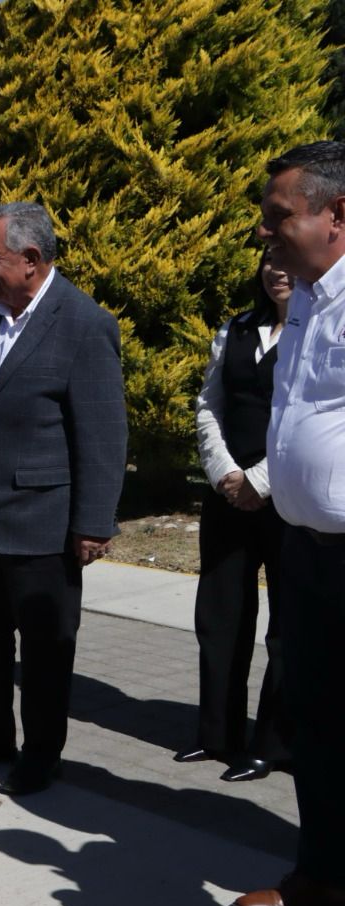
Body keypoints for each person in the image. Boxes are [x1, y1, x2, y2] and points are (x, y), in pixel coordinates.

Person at [0, 202, 128, 796]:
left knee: (44, 650)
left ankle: (41, 754)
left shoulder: (84, 323)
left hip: (44, 520)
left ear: (31, 259)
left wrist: (93, 522)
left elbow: (103, 432)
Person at [230, 141, 345, 906]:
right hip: (303, 550)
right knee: (315, 719)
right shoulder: (304, 298)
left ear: (338, 215)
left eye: (281, 216)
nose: (266, 233)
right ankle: (324, 873)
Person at [179, 250, 293, 781]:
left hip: (289, 502)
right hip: (228, 497)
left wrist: (260, 481)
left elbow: (315, 418)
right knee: (220, 618)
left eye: (287, 259)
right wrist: (226, 473)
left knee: (287, 629)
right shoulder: (236, 329)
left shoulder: (320, 332)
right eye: (270, 260)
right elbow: (209, 405)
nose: (278, 269)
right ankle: (217, 734)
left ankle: (271, 745)